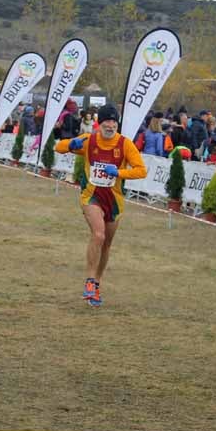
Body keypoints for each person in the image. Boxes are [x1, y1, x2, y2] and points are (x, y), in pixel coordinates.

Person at [56, 105, 147, 307]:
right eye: (107, 121)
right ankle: (89, 281)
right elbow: (58, 147)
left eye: (114, 122)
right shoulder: (89, 140)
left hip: (114, 201)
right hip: (92, 196)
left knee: (106, 245)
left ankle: (97, 283)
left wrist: (119, 173)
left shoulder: (125, 144)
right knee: (98, 235)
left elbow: (141, 170)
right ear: (100, 123)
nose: (111, 125)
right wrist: (71, 144)